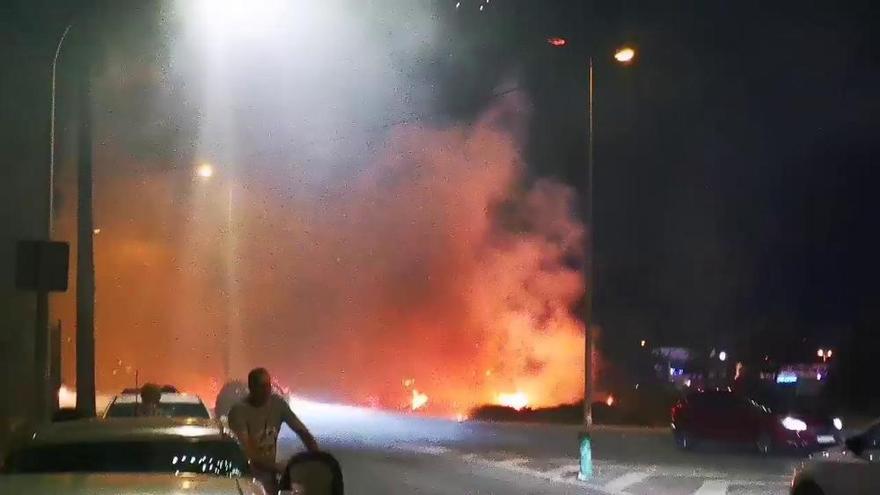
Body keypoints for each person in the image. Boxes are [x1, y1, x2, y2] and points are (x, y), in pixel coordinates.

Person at [228, 368, 319, 492]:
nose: (267, 390)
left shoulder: (277, 405)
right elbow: (247, 451)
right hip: (245, 478)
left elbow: (302, 431)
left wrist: (317, 458)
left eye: (268, 385)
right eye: (262, 386)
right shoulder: (239, 412)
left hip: (269, 477)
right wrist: (277, 467)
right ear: (251, 387)